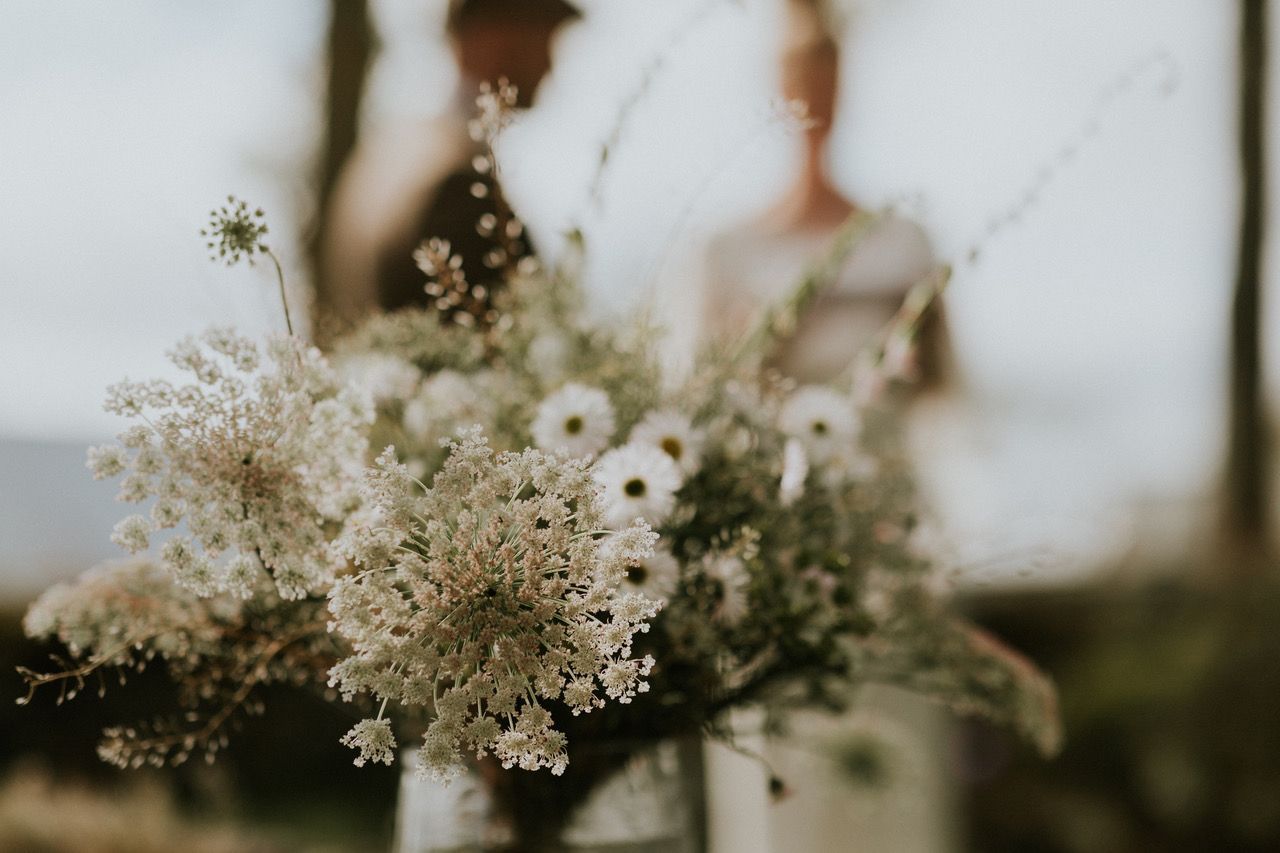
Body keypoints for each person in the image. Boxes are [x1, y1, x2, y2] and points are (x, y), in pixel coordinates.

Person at [702, 0, 948, 387]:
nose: (814, 97)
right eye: (801, 76)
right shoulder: (726, 251)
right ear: (780, 86)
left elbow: (942, 386)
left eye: (825, 77)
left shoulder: (905, 243)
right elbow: (702, 388)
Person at [322, 0, 580, 329]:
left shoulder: (394, 150)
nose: (549, 66)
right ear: (492, 31)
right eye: (544, 37)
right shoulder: (456, 185)